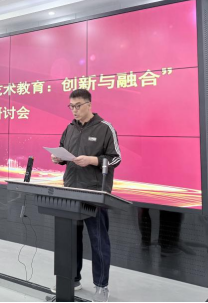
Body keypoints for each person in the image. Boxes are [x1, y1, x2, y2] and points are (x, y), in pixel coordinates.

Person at [51, 89, 122, 303]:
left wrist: (93, 160)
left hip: (95, 193)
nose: (74, 110)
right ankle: (72, 280)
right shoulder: (69, 128)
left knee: (98, 240)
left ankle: (101, 287)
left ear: (89, 105)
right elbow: (63, 150)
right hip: (71, 190)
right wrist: (58, 158)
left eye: (78, 106)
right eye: (71, 106)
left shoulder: (105, 128)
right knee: (71, 239)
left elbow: (116, 159)